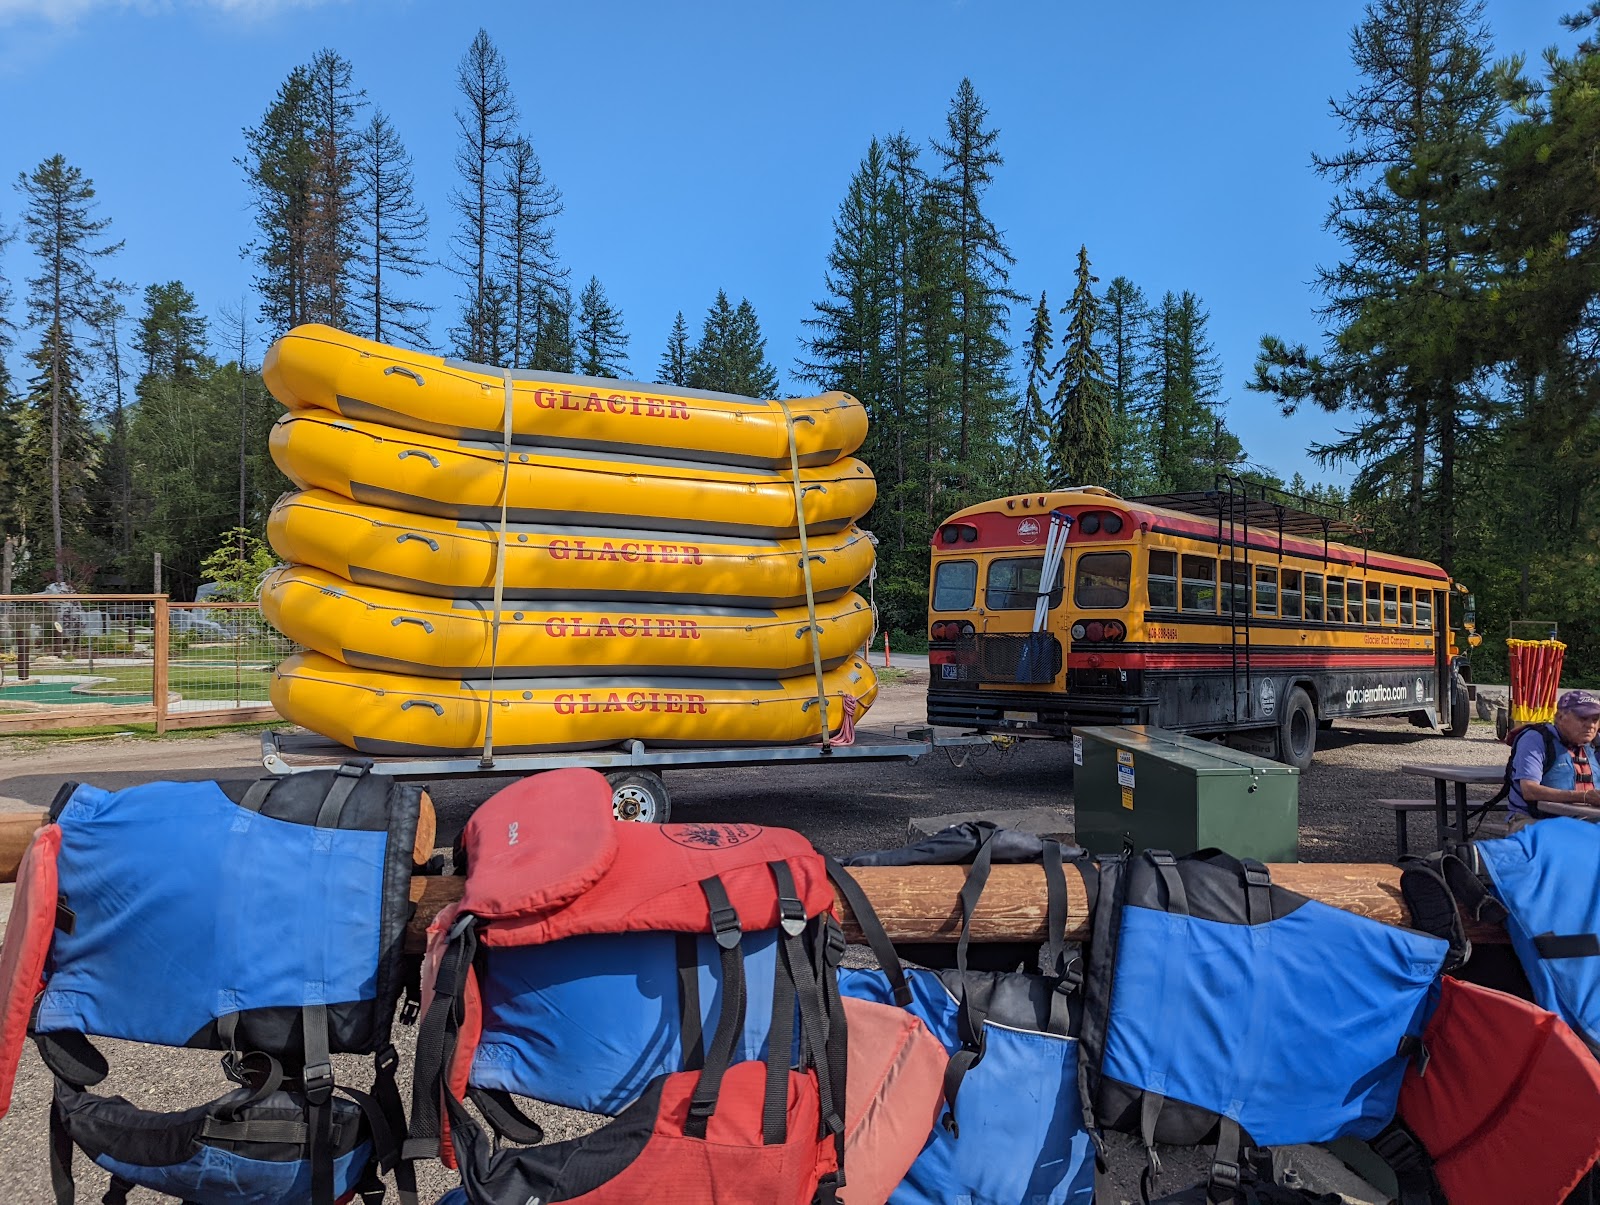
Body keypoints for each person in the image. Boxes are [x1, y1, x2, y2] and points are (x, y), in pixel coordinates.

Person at [1508, 689, 1600, 823]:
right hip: (1534, 821)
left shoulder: (1596, 744)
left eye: (1595, 719)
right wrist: (1584, 797)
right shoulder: (1535, 739)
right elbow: (1529, 790)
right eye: (1583, 718)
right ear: (1560, 717)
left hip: (1586, 821)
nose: (1591, 725)